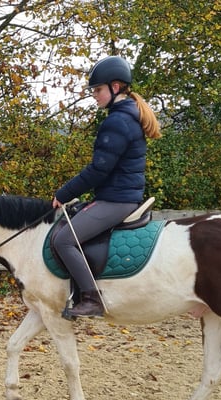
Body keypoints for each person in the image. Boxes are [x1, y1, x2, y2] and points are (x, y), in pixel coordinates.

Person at [52, 55, 162, 318]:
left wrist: (63, 194)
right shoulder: (126, 115)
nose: (94, 95)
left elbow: (99, 170)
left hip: (118, 201)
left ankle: (91, 298)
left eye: (98, 90)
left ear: (115, 87)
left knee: (64, 240)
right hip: (118, 196)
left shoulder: (117, 121)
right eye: (93, 90)